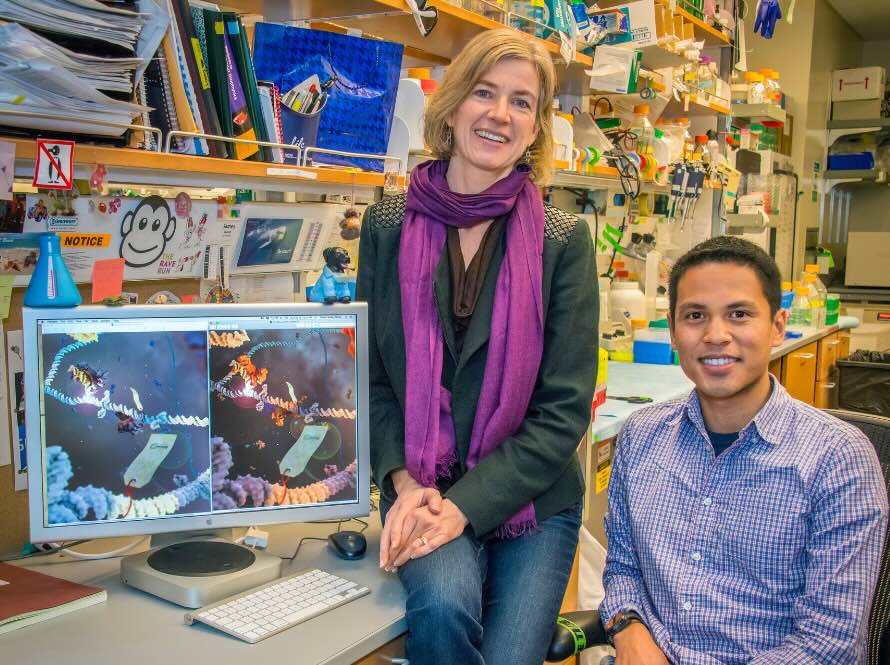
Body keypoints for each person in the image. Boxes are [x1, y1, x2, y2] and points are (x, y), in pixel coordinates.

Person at [355, 28, 598, 665]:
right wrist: (404, 484)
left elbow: (563, 412)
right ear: (454, 103)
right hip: (420, 484)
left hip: (531, 498)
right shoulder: (386, 223)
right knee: (440, 609)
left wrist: (463, 509)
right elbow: (373, 379)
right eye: (485, 93)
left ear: (538, 125)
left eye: (522, 102)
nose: (499, 114)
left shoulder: (561, 238)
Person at [601, 236, 888, 664]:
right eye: (695, 316)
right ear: (674, 334)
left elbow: (829, 642)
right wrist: (627, 628)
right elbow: (623, 568)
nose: (716, 336)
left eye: (739, 314)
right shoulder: (642, 437)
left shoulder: (837, 460)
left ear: (777, 326)